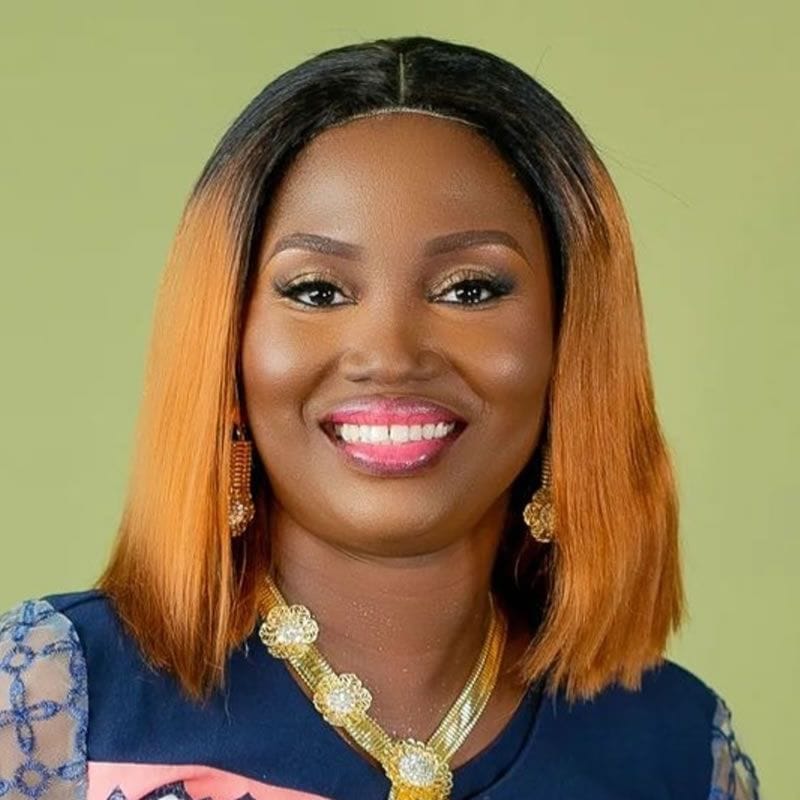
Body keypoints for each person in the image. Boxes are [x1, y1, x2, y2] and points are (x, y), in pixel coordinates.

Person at [0, 35, 761, 800]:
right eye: (317, 291)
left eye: (469, 289)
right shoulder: (51, 705)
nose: (391, 356)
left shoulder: (679, 754)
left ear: (572, 342)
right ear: (226, 342)